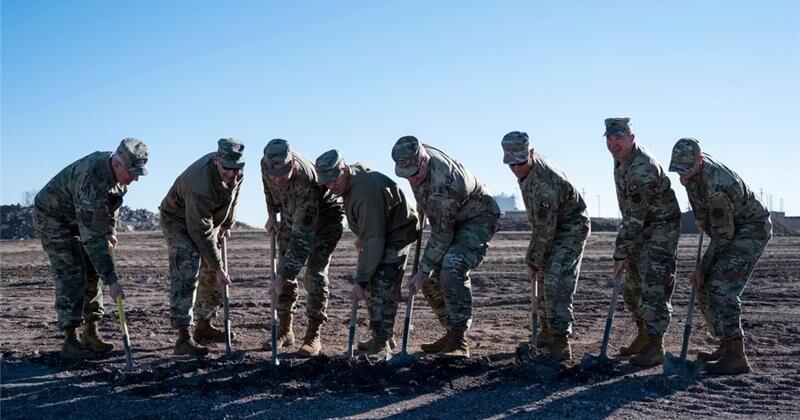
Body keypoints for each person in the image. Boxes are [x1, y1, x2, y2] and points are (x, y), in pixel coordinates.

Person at [34, 138, 148, 359]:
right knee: (72, 271)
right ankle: (70, 340)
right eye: (132, 173)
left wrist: (110, 230)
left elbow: (112, 204)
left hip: (78, 216)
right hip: (53, 218)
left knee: (92, 271)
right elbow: (93, 241)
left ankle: (91, 333)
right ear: (117, 164)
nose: (135, 179)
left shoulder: (118, 177)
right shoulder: (92, 180)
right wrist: (112, 281)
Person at [668, 137, 772, 374]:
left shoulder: (717, 187)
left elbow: (723, 235)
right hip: (729, 227)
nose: (682, 174)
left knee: (721, 285)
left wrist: (703, 267)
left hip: (751, 228)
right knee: (707, 285)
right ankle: (726, 346)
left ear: (699, 161)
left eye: (686, 169)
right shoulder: (692, 171)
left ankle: (736, 355)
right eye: (678, 169)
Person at [391, 135, 500, 358]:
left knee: (452, 266)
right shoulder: (414, 156)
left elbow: (441, 236)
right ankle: (451, 333)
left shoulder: (447, 185)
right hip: (450, 216)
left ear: (424, 160)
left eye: (414, 174)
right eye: (406, 175)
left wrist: (422, 270)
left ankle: (459, 340)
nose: (411, 179)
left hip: (477, 218)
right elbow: (420, 183)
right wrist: (422, 201)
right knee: (430, 278)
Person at [315, 149, 419, 360]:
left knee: (381, 283)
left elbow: (374, 240)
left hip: (397, 233)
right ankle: (383, 336)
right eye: (327, 183)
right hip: (379, 232)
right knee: (372, 282)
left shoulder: (364, 193)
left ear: (344, 170)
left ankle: (382, 343)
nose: (331, 186)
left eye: (334, 180)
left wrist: (360, 280)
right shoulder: (349, 183)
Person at [501, 131, 590, 361]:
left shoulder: (544, 182)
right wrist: (536, 261)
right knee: (542, 275)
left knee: (555, 278)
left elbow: (544, 231)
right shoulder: (527, 169)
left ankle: (560, 339)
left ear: (531, 153)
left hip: (571, 227)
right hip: (552, 224)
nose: (516, 168)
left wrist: (533, 260)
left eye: (520, 163)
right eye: (511, 164)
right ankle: (546, 332)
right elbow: (542, 227)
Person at [605, 117, 681, 367]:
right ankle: (644, 336)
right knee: (632, 288)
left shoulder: (641, 168)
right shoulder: (621, 159)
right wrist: (627, 250)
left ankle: (655, 346)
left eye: (619, 138)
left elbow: (635, 217)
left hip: (660, 229)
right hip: (641, 227)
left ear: (631, 138)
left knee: (653, 287)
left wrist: (620, 253)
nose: (613, 143)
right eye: (610, 138)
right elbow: (632, 213)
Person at [159, 138, 244, 356]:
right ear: (216, 161)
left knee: (213, 273)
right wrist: (218, 267)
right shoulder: (200, 184)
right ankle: (183, 338)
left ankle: (204, 326)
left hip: (206, 219)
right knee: (187, 268)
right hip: (177, 219)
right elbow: (201, 232)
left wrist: (227, 224)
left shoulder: (235, 171)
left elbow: (233, 198)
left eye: (236, 169)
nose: (231, 174)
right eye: (227, 169)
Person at [262, 139, 344, 357]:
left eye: (282, 173)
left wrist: (284, 276)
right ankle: (285, 330)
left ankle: (313, 335)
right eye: (273, 174)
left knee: (313, 275)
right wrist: (271, 214)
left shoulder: (306, 182)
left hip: (324, 220)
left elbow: (302, 240)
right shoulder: (267, 165)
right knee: (282, 272)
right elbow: (268, 188)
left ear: (291, 164)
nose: (277, 179)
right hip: (291, 215)